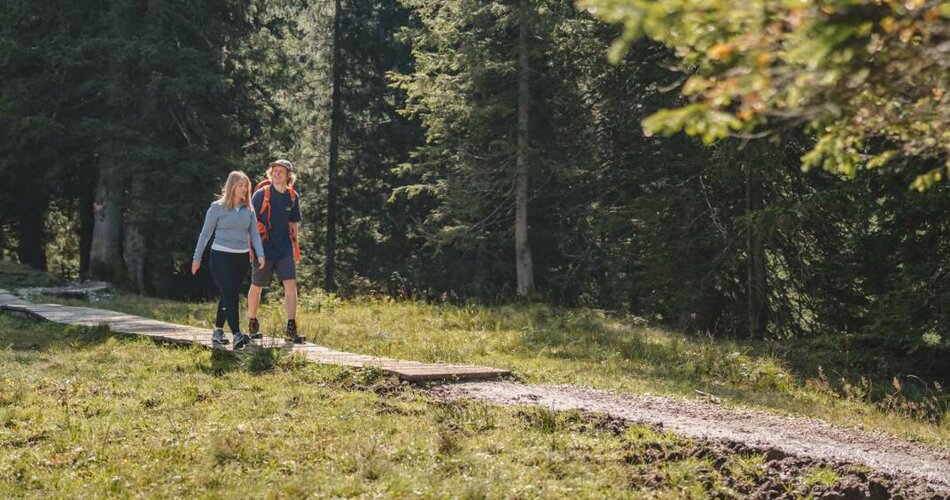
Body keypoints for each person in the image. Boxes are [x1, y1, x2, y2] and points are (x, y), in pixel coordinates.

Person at [192, 171, 266, 349]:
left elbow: (254, 233)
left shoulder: (248, 208)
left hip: (241, 258)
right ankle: (237, 334)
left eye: (245, 186)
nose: (243, 189)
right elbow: (205, 234)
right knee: (231, 293)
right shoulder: (217, 207)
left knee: (228, 294)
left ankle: (218, 330)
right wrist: (197, 257)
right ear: (231, 186)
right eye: (240, 185)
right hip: (221, 256)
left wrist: (260, 253)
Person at [247, 159, 306, 343]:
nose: (277, 173)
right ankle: (252, 323)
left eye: (281, 171)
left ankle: (291, 327)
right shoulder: (261, 195)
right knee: (257, 285)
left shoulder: (292, 196)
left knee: (290, 286)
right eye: (274, 171)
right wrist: (250, 248)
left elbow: (293, 224)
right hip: (262, 248)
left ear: (289, 176)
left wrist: (295, 247)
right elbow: (249, 222)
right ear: (270, 173)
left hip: (284, 249)